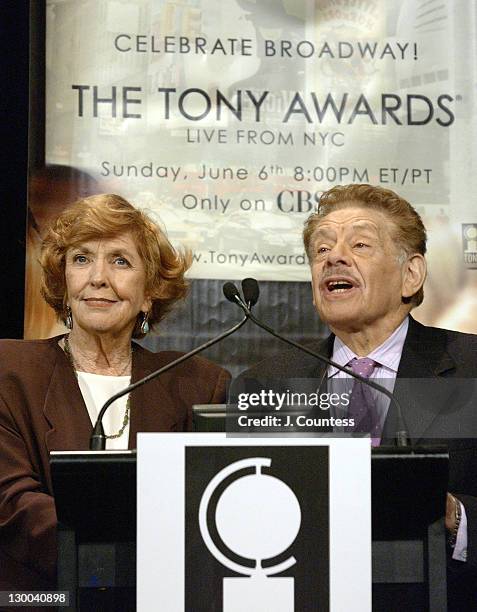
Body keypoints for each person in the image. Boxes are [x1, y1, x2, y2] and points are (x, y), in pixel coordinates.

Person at [238, 184, 477, 610]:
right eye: (321, 249)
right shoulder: (265, 385)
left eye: (360, 244)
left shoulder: (470, 367)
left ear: (411, 275)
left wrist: (457, 518)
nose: (334, 257)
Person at [0, 194, 230, 591]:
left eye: (120, 261)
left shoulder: (196, 386)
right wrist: (109, 560)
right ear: (63, 280)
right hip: (42, 594)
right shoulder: (11, 370)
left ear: (149, 292)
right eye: (82, 259)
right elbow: (12, 502)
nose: (98, 278)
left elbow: (208, 508)